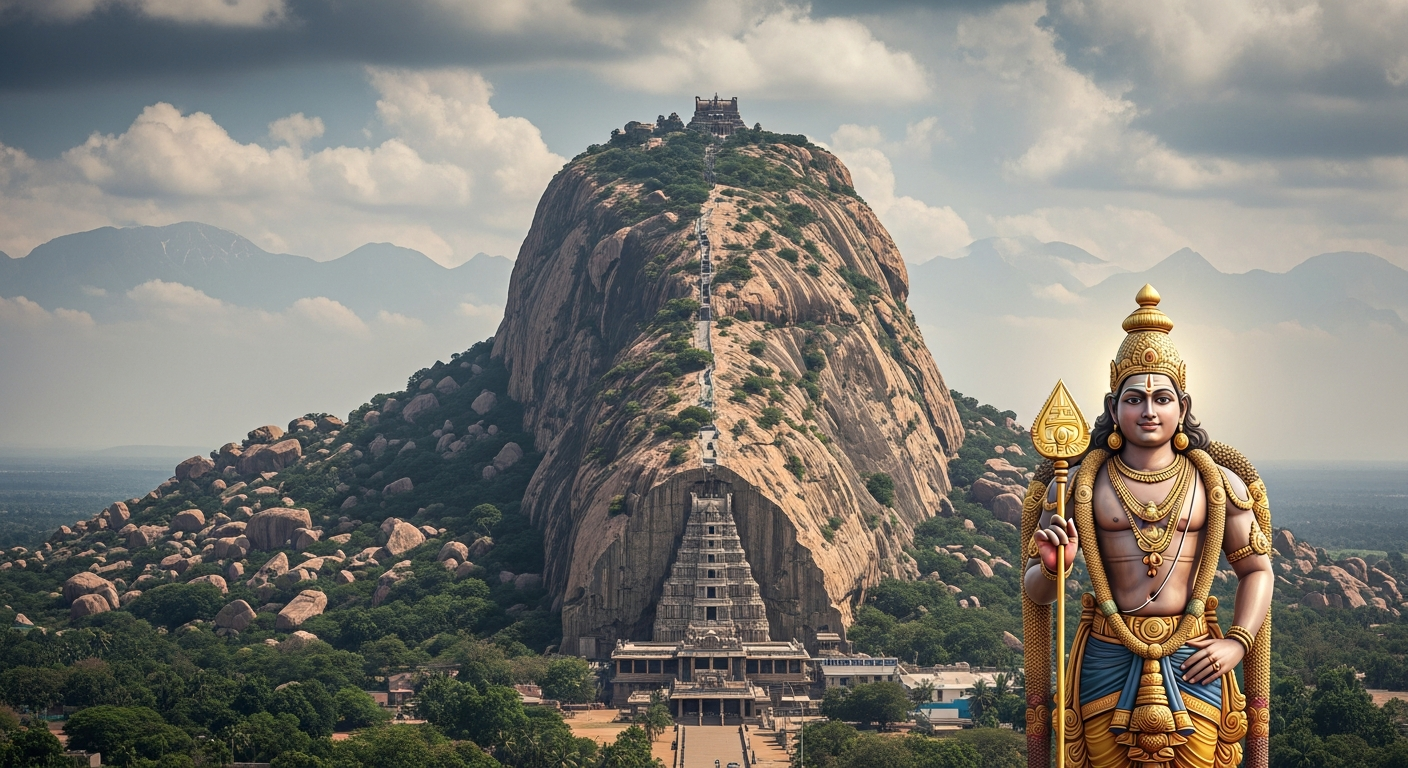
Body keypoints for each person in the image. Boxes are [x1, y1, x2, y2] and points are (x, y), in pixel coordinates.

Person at [1022, 285, 1274, 768]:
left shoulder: (1215, 483)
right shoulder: (1076, 485)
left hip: (1194, 652)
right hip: (1106, 653)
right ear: (1113, 407)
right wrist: (1056, 568)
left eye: (1162, 398)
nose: (1149, 411)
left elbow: (1257, 571)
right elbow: (1036, 591)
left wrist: (1237, 642)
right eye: (1135, 399)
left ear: (1183, 406)